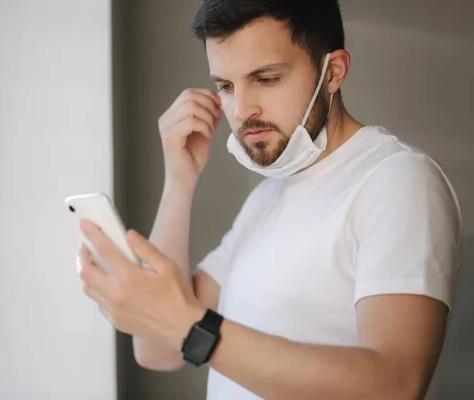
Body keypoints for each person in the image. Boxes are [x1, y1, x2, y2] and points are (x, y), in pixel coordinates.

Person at [76, 1, 463, 399]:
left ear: (332, 72)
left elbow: (395, 385)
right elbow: (157, 348)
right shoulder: (266, 198)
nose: (241, 110)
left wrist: (192, 328)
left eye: (266, 78)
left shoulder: (396, 180)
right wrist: (179, 180)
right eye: (226, 86)